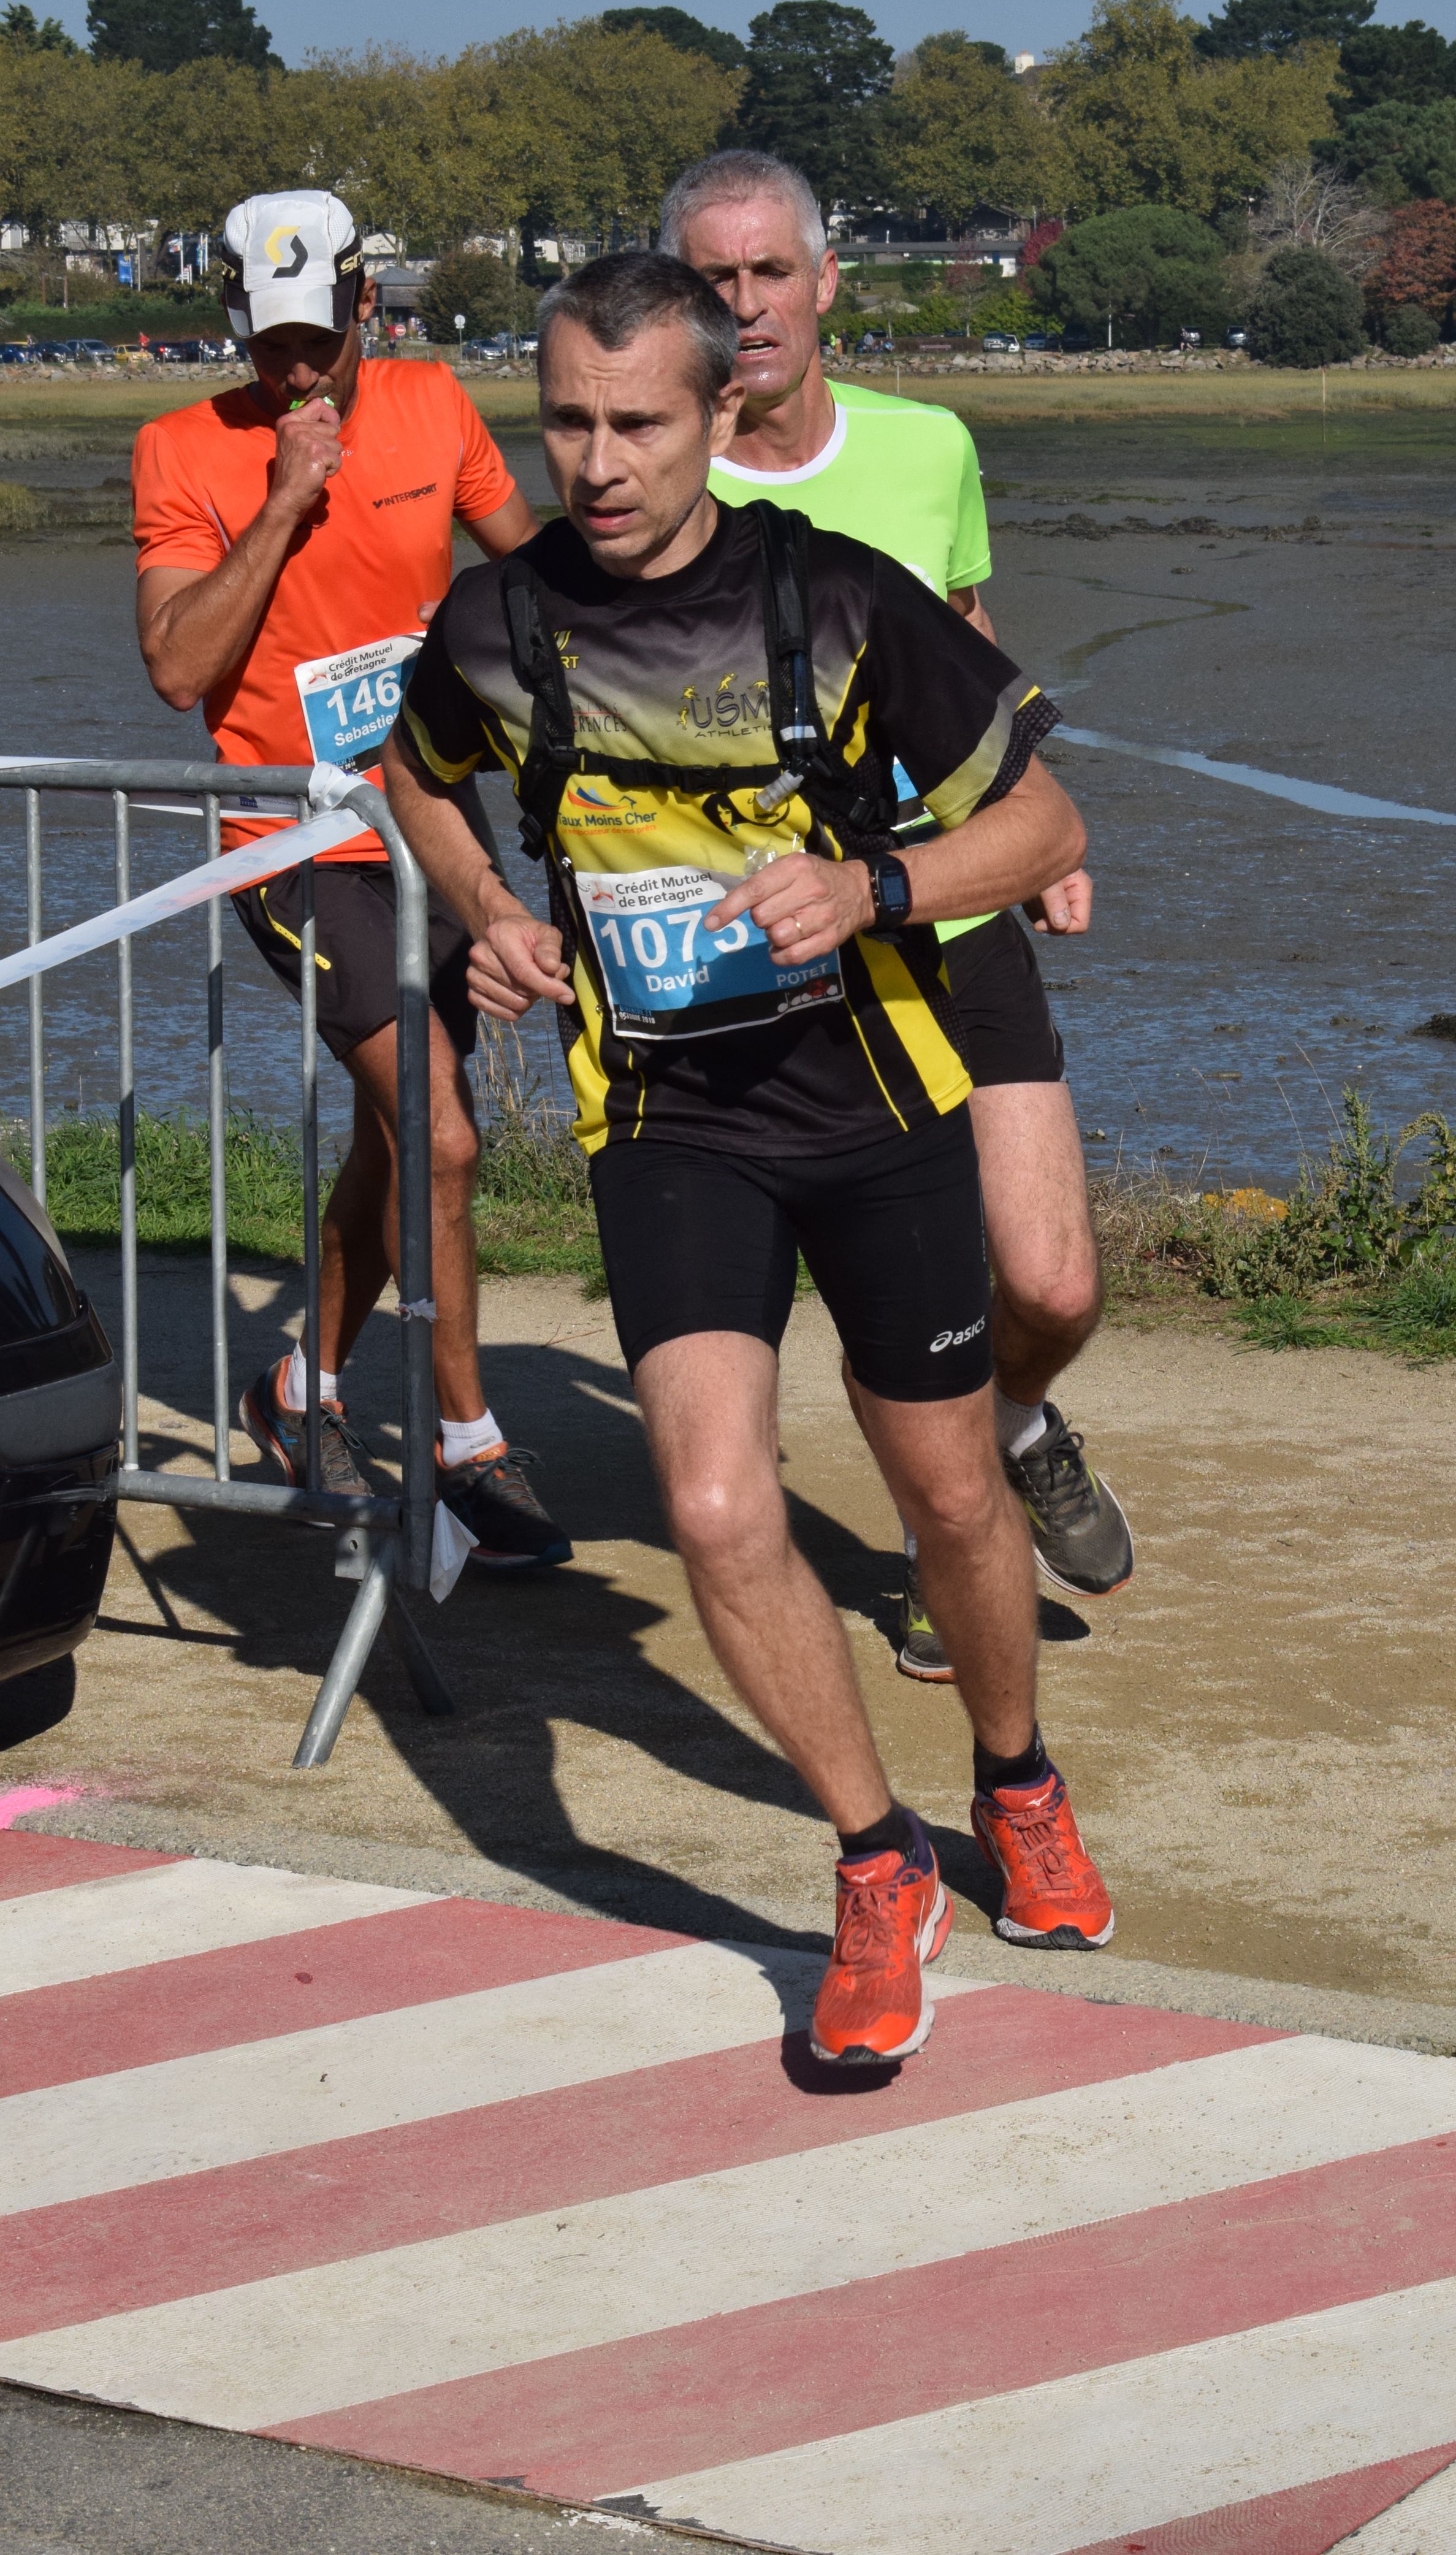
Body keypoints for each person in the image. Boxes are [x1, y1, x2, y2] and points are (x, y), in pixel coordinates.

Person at [381, 253, 1115, 2062]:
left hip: (875, 1104)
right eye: (566, 422)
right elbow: (412, 771)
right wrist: (486, 909)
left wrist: (873, 886)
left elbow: (1045, 824)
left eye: (638, 424)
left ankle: (1015, 1778)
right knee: (715, 1507)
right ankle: (878, 1859)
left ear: (725, 413)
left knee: (954, 1499)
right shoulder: (496, 622)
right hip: (669, 1120)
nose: (598, 464)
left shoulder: (840, 600)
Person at [659, 150, 1131, 1681]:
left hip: (941, 901)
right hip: (774, 948)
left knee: (1052, 1282)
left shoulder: (931, 449)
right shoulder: (660, 484)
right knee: (887, 1293)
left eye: (769, 273)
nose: (747, 306)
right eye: (715, 280)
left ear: (824, 283)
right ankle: (950, 1543)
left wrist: (1025, 829)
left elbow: (966, 640)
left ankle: (1010, 1425)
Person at [132, 190, 568, 1568]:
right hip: (292, 847)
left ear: (367, 306)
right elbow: (178, 668)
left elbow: (544, 581)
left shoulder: (435, 406)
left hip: (432, 828)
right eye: (269, 344)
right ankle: (467, 1446)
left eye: (317, 339)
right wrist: (282, 499)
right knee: (443, 1138)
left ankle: (299, 1384)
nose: (295, 371)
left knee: (401, 1142)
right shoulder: (179, 447)